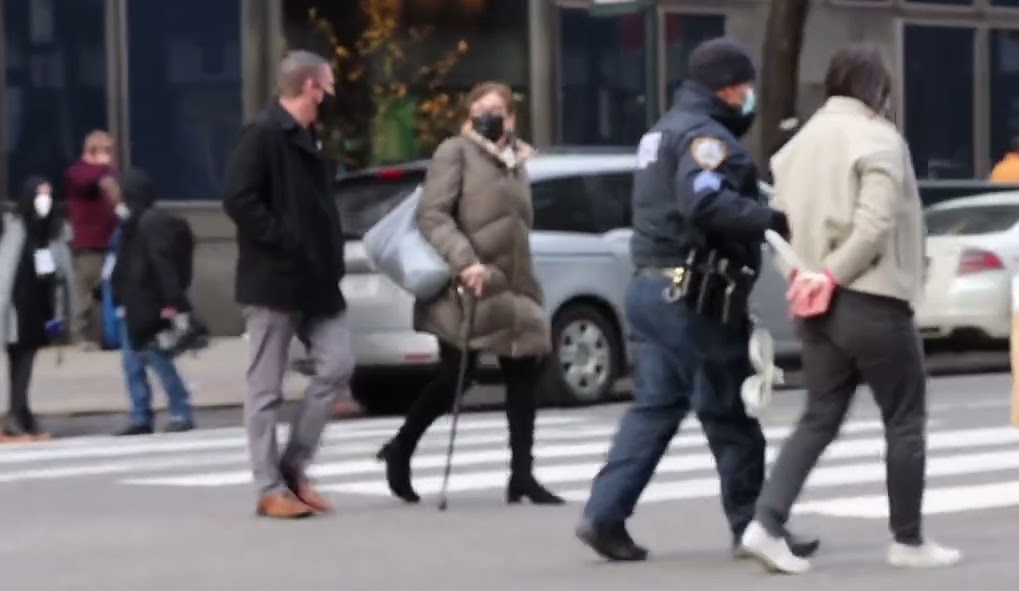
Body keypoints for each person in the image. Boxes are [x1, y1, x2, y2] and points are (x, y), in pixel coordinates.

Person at [574, 37, 817, 563]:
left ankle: (604, 514)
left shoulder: (662, 131)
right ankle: (755, 526)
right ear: (728, 88)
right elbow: (705, 202)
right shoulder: (705, 138)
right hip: (693, 297)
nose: (750, 96)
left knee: (655, 408)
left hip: (651, 287)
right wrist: (773, 220)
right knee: (730, 416)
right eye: (746, 87)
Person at [736, 46, 961, 575]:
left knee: (819, 416)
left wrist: (805, 278)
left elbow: (779, 230)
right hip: (873, 297)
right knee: (904, 419)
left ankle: (765, 522)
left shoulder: (793, 149)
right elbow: (874, 225)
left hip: (814, 304)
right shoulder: (879, 139)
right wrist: (834, 274)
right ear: (877, 89)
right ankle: (908, 540)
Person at [374, 82, 563, 507]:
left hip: (512, 283)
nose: (487, 120)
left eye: (496, 111)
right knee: (454, 377)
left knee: (524, 373)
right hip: (467, 282)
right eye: (479, 112)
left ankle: (522, 475)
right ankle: (401, 448)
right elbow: (433, 214)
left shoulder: (517, 162)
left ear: (511, 118)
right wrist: (465, 261)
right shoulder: (455, 152)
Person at [223, 50, 355, 520]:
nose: (332, 96)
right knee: (266, 387)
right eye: (328, 87)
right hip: (274, 280)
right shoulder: (263, 134)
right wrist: (285, 239)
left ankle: (293, 467)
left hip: (318, 280)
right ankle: (269, 486)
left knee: (338, 364)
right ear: (311, 87)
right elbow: (238, 198)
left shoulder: (308, 136)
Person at [110, 168, 197, 436]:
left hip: (150, 304)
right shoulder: (131, 225)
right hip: (133, 303)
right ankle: (141, 415)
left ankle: (180, 411)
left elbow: (163, 264)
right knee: (132, 364)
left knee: (158, 359)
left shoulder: (149, 224)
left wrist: (172, 302)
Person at [0, 177, 65, 440]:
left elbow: (52, 273)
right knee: (20, 359)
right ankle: (17, 415)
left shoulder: (49, 230)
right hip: (16, 306)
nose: (45, 200)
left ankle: (21, 412)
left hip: (39, 306)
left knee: (25, 361)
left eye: (49, 195)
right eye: (40, 194)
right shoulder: (13, 226)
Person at [65, 131, 124, 349]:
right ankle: (81, 335)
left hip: (112, 241)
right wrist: (101, 170)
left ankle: (109, 334)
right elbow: (85, 182)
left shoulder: (109, 173)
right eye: (105, 149)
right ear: (92, 150)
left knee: (109, 291)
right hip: (89, 243)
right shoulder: (78, 172)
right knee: (87, 291)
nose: (110, 154)